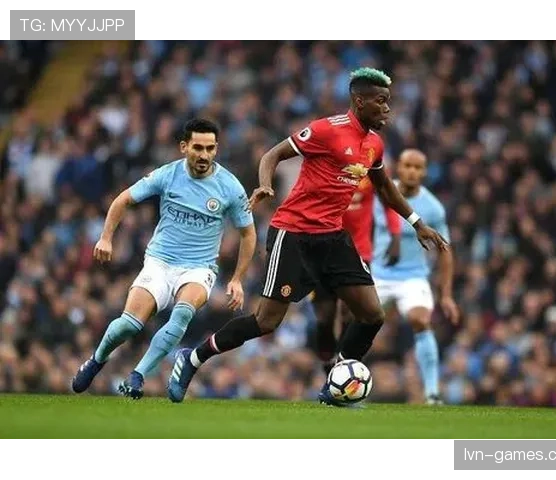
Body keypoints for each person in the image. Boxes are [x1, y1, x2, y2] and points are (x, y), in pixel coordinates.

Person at [166, 67, 449, 406]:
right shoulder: (326, 130)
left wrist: (416, 222)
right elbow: (273, 154)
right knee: (266, 322)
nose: (387, 108)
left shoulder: (374, 143)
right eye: (381, 101)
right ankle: (193, 358)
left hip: (333, 237)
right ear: (360, 102)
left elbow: (386, 187)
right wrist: (265, 184)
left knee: (372, 314)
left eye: (388, 101)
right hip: (294, 234)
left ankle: (337, 384)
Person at [71, 118, 256, 400]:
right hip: (160, 261)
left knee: (182, 313)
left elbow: (248, 233)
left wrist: (237, 278)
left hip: (199, 268)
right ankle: (97, 360)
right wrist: (106, 237)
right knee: (129, 325)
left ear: (216, 149)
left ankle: (138, 375)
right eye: (198, 147)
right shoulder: (167, 175)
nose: (204, 155)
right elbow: (123, 200)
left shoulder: (230, 186)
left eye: (210, 148)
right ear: (184, 147)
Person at [371, 149, 460, 405]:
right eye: (407, 165)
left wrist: (446, 295)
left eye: (417, 167)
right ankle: (340, 379)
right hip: (379, 274)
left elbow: (445, 250)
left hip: (412, 277)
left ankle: (431, 392)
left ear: (424, 172)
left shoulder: (433, 208)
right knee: (355, 322)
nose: (411, 171)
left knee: (420, 320)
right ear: (398, 167)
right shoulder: (380, 192)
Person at [311, 174, 401, 375]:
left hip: (358, 251)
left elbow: (388, 197)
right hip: (323, 249)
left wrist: (395, 235)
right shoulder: (325, 167)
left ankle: (342, 365)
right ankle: (327, 361)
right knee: (324, 315)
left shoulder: (370, 166)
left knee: (351, 312)